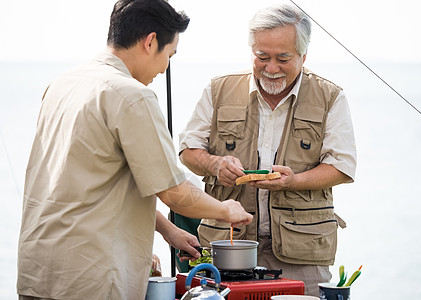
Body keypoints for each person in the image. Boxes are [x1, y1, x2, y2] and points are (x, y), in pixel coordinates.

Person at [17, 0, 253, 299]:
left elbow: (93, 182)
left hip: (38, 269)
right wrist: (225, 209)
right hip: (92, 278)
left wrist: (167, 228)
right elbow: (174, 193)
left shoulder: (63, 84)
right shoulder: (132, 96)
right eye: (169, 54)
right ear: (151, 41)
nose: (166, 66)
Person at [178, 3, 356, 296]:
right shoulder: (217, 89)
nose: (271, 68)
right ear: (252, 50)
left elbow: (342, 166)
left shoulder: (330, 96)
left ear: (303, 55)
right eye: (262, 56)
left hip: (303, 254)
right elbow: (187, 151)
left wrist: (294, 181)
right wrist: (214, 165)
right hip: (227, 247)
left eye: (283, 58)